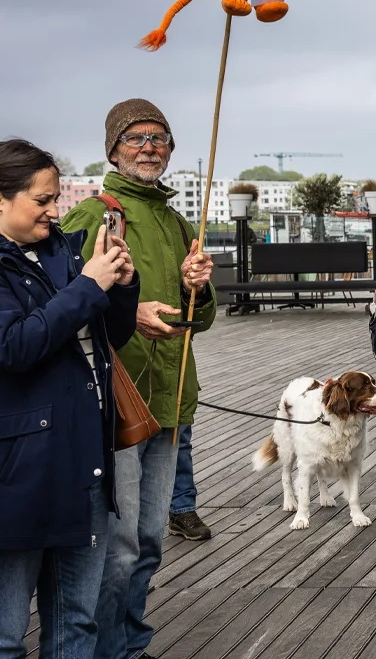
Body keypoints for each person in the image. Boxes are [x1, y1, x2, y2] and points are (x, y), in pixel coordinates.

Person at [59, 99, 216, 659]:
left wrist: (198, 284)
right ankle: (103, 651)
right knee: (120, 547)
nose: (149, 147)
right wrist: (129, 312)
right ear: (113, 149)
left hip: (172, 399)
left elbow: (201, 316)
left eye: (160, 138)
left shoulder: (175, 220)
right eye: (136, 138)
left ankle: (127, 646)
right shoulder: (94, 216)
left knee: (149, 543)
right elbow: (64, 307)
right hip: (118, 403)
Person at [0, 139, 139, 659]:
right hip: (19, 471)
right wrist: (87, 286)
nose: (55, 210)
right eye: (42, 200)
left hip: (83, 458)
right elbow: (14, 346)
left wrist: (120, 287)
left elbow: (108, 337)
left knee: (77, 623)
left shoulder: (62, 248)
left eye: (56, 197)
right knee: (6, 636)